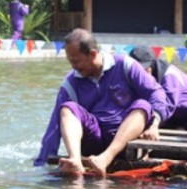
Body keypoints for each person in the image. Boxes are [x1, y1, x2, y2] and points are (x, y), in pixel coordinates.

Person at [34, 29, 168, 176]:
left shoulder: (125, 65)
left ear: (92, 54)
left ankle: (106, 158)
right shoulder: (71, 82)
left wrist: (154, 124)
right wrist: (42, 164)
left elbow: (157, 92)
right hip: (95, 139)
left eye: (76, 61)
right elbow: (55, 125)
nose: (73, 67)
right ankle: (75, 160)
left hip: (126, 137)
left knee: (143, 105)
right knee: (67, 108)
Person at [129, 46, 187, 138]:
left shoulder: (170, 76)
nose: (141, 72)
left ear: (152, 65)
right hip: (179, 116)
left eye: (144, 69)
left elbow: (166, 105)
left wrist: (152, 125)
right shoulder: (134, 77)